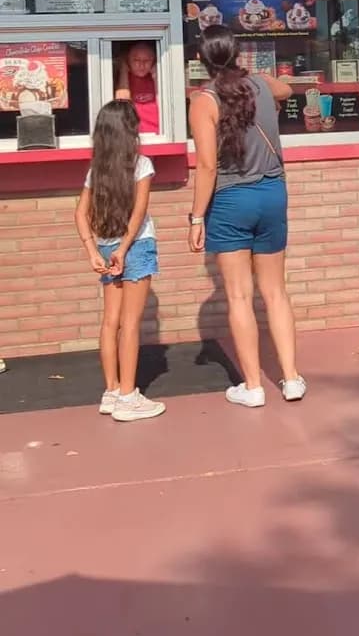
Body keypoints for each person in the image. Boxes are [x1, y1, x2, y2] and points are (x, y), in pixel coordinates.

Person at [187, 24, 306, 406]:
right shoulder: (260, 84)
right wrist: (261, 76)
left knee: (239, 296)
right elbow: (289, 90)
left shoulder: (203, 100)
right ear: (236, 54)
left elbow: (206, 167)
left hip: (230, 199)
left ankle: (253, 387)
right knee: (276, 292)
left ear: (201, 60)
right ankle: (291, 379)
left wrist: (195, 218)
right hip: (273, 192)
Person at [75, 100, 165, 422]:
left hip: (105, 245)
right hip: (135, 247)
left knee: (109, 320)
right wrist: (124, 250)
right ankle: (128, 395)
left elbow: (80, 214)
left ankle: (111, 390)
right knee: (130, 323)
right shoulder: (141, 165)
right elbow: (139, 213)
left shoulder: (95, 171)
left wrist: (92, 252)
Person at [115, 42, 160, 134]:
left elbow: (165, 104)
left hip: (159, 135)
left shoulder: (157, 79)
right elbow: (122, 107)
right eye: (136, 60)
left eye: (147, 60)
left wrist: (157, 76)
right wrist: (124, 70)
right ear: (128, 61)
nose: (141, 65)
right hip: (131, 135)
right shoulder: (122, 81)